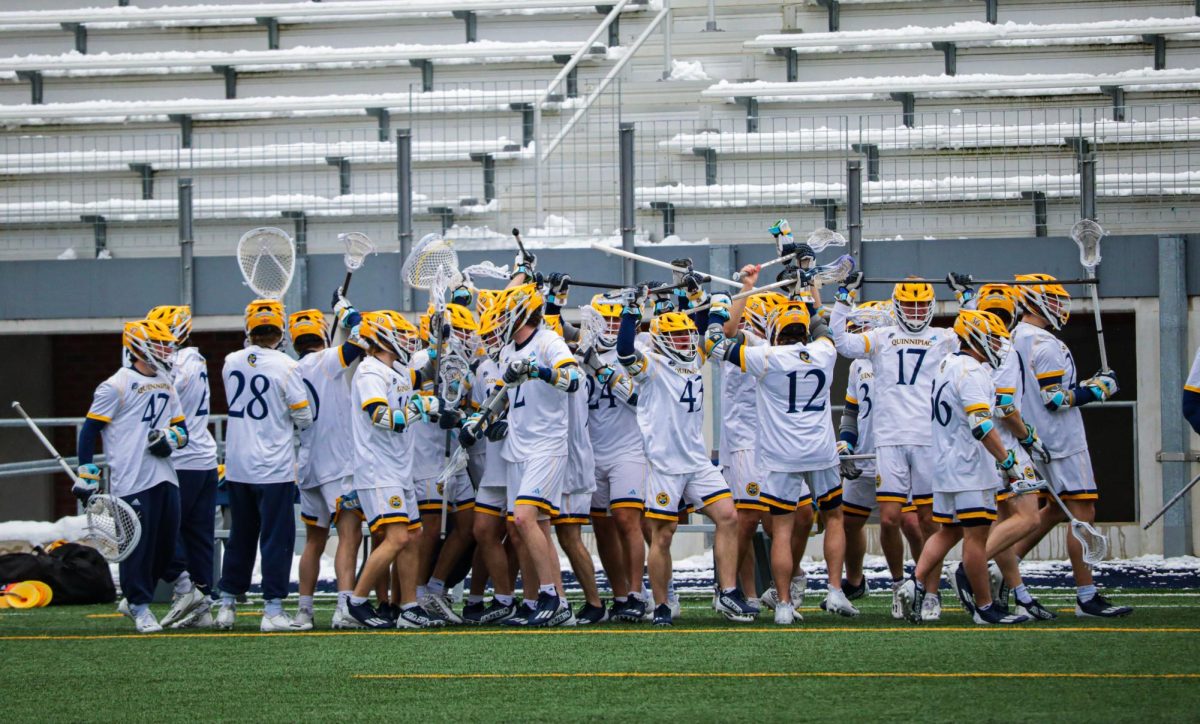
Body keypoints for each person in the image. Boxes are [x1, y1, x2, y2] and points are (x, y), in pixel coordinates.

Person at [616, 282, 758, 627]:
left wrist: (723, 293)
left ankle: (727, 593)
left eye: (686, 336)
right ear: (663, 340)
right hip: (665, 464)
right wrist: (631, 310)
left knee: (728, 517)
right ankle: (663, 604)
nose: (684, 342)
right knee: (663, 534)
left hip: (695, 461)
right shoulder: (652, 366)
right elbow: (623, 353)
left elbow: (715, 327)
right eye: (677, 337)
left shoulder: (696, 355)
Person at [712, 289, 856, 622]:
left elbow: (716, 345)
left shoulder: (767, 358)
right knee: (834, 518)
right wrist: (810, 296)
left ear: (775, 332)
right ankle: (835, 589)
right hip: (820, 451)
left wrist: (717, 314)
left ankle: (784, 605)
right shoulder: (824, 353)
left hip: (780, 455)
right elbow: (824, 328)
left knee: (783, 528)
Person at [831, 274, 958, 618]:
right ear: (897, 306)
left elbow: (978, 337)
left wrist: (968, 298)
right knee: (889, 520)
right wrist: (844, 297)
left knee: (929, 520)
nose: (915, 312)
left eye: (921, 305)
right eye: (909, 305)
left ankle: (930, 592)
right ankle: (899, 584)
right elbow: (841, 341)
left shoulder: (942, 337)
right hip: (889, 440)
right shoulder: (882, 337)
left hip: (927, 439)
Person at [1008, 275, 1131, 618]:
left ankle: (1005, 565)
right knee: (1082, 513)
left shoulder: (1014, 337)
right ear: (1036, 302)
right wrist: (1099, 389)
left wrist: (1088, 384)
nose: (1062, 306)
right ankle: (1086, 595)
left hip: (1033, 438)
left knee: (1052, 510)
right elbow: (1055, 398)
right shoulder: (1046, 344)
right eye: (1055, 300)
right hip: (1061, 441)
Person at [900, 309, 1030, 625]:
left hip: (944, 465)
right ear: (975, 337)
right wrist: (1008, 462)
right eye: (994, 339)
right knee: (976, 538)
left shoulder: (947, 364)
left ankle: (914, 582)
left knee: (949, 531)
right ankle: (985, 607)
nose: (999, 346)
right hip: (970, 468)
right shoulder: (972, 372)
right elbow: (981, 426)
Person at [77, 319, 187, 632]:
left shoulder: (166, 382)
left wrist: (171, 439)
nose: (167, 350)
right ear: (138, 346)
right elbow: (89, 431)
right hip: (131, 478)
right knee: (137, 546)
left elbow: (182, 430)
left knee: (165, 544)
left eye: (168, 344)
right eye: (159, 344)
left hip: (165, 475)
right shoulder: (116, 384)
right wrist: (87, 473)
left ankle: (143, 597)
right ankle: (139, 605)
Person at [216, 300, 313, 632]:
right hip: (274, 467)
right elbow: (303, 416)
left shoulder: (231, 362)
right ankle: (272, 608)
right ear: (280, 331)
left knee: (240, 535)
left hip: (238, 465)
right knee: (276, 538)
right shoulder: (287, 366)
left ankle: (227, 604)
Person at [490, 281, 582, 627]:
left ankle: (551, 598)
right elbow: (505, 398)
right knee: (535, 527)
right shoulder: (505, 351)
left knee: (525, 519)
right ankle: (546, 601)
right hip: (519, 447)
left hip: (546, 444)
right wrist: (486, 421)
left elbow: (573, 379)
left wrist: (540, 371)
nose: (497, 319)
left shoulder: (548, 341)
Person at [346, 311, 444, 629]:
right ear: (383, 338)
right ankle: (356, 602)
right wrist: (420, 407)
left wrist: (440, 349)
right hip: (378, 469)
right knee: (398, 537)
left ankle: (409, 606)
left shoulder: (396, 372)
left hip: (399, 469)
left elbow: (421, 382)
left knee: (414, 536)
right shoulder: (370, 372)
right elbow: (383, 417)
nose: (407, 340)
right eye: (401, 335)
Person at [287, 301, 368, 630]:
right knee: (349, 536)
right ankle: (344, 606)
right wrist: (346, 310)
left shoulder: (292, 370)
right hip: (338, 465)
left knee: (313, 540)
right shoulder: (327, 359)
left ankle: (304, 612)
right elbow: (364, 337)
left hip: (307, 466)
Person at [144, 305, 219, 630]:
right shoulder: (196, 359)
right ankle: (202, 604)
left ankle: (185, 585)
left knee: (159, 528)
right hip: (203, 458)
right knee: (197, 534)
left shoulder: (178, 365)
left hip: (181, 460)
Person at [580, 294, 650, 621]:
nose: (609, 327)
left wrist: (603, 371)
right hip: (593, 451)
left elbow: (640, 400)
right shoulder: (579, 352)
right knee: (603, 528)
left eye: (614, 320)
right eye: (603, 320)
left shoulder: (633, 352)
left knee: (626, 520)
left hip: (628, 448)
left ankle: (636, 593)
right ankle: (620, 594)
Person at [413, 303, 480, 625]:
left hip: (453, 455)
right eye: (460, 331)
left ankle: (436, 588)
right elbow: (425, 400)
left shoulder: (462, 364)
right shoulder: (420, 361)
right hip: (427, 454)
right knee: (427, 532)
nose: (466, 338)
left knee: (468, 527)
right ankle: (415, 595)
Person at [837, 300, 891, 602]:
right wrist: (847, 442)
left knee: (905, 521)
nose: (857, 330)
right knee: (849, 521)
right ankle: (855, 581)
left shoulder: (898, 358)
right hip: (865, 454)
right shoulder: (859, 365)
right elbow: (851, 411)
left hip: (897, 453)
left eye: (865, 324)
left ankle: (914, 581)